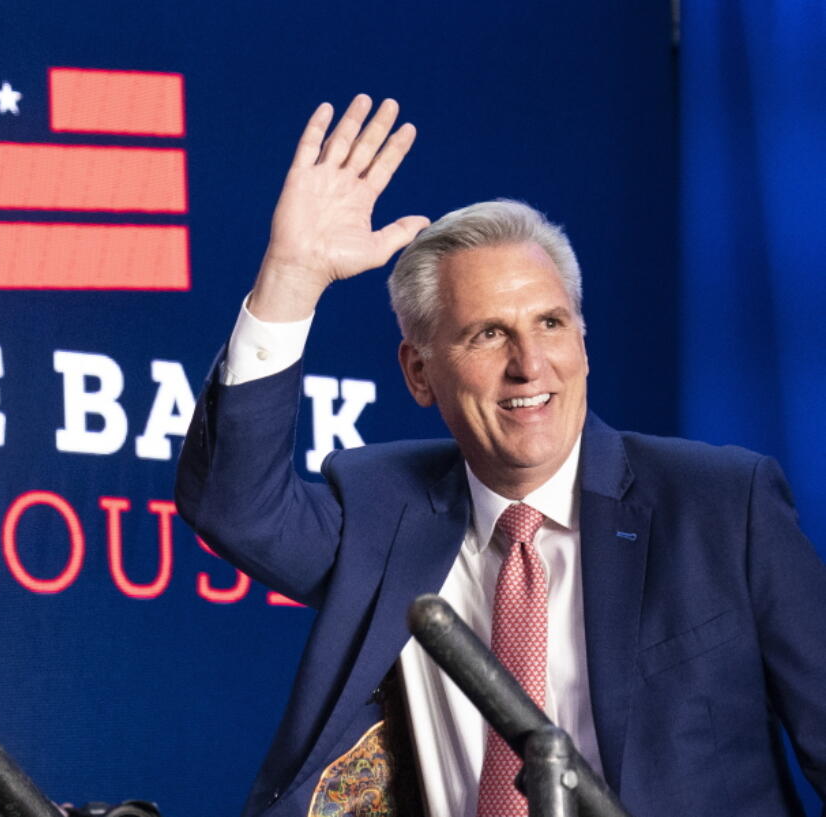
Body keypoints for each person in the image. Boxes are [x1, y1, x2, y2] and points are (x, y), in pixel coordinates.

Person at [175, 95, 826, 817]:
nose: (529, 364)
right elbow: (235, 507)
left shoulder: (723, 506)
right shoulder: (381, 511)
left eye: (550, 323)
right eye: (487, 334)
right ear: (418, 373)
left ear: (582, 342)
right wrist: (292, 275)